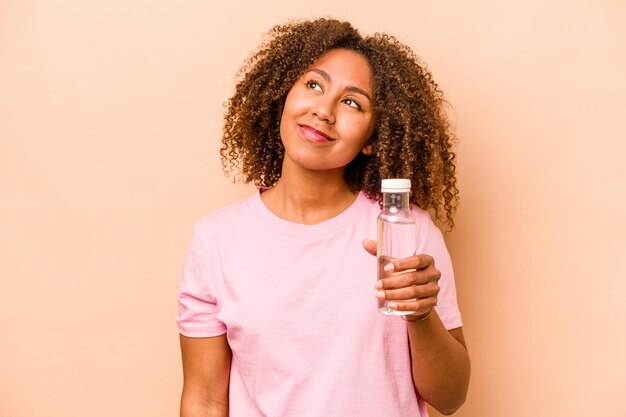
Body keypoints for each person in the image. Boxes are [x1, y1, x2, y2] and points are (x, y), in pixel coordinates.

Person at [176, 18, 470, 417]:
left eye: (353, 102)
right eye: (314, 85)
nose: (324, 111)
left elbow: (450, 398)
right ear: (283, 95)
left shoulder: (407, 232)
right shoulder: (216, 241)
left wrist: (420, 315)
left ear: (372, 139)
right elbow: (204, 400)